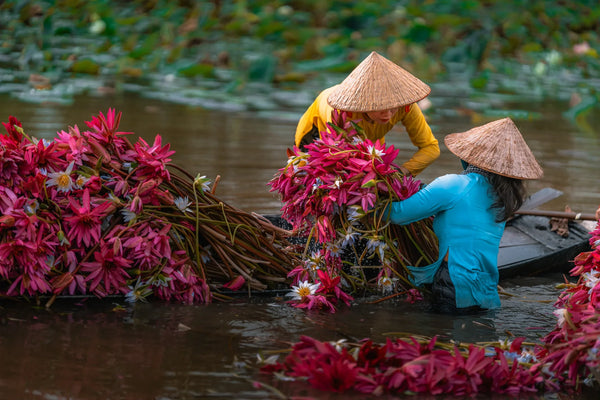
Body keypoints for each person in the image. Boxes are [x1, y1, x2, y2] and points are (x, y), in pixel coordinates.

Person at [384, 118, 544, 313]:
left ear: (470, 156)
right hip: (487, 287)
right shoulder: (503, 197)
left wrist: (367, 201)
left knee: (444, 340)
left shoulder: (452, 185)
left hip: (454, 283)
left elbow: (398, 215)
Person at [295, 51, 440, 176]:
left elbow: (431, 148)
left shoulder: (406, 106)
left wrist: (403, 172)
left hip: (372, 137)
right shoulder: (340, 112)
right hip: (318, 133)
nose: (389, 116)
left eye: (393, 109)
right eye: (382, 109)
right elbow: (333, 156)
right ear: (365, 105)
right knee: (306, 175)